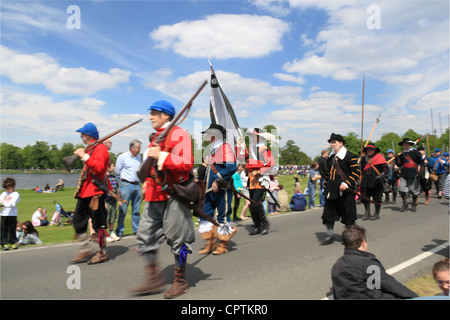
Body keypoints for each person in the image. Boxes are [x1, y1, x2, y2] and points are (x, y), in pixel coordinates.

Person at [132, 100, 195, 299]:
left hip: (172, 195)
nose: (150, 117)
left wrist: (163, 155)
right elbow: (151, 167)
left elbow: (186, 163)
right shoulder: (158, 137)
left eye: (154, 113)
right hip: (154, 194)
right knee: (145, 236)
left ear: (165, 115)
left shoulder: (179, 134)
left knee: (181, 241)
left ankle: (180, 280)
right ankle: (153, 279)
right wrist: (146, 182)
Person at [331, 225, 418, 299]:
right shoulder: (368, 264)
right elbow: (389, 285)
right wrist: (416, 297)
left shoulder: (337, 265)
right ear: (363, 242)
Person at [71, 122, 110, 265]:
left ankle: (102, 252)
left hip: (96, 191)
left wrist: (83, 155)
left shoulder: (100, 149)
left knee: (99, 224)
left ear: (88, 135)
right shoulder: (90, 148)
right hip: (85, 191)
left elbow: (99, 168)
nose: (81, 135)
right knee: (77, 221)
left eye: (83, 133)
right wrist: (83, 154)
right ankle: (85, 248)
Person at [198, 123, 237, 255]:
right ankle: (210, 242)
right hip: (209, 189)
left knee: (223, 216)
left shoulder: (226, 148)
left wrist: (218, 181)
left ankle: (223, 244)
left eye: (209, 134)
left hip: (222, 189)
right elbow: (208, 169)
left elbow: (231, 168)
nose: (207, 136)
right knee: (205, 214)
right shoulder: (211, 149)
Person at [320, 133, 360, 245]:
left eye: (334, 142)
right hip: (331, 191)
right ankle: (330, 235)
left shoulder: (350, 156)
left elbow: (356, 172)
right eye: (330, 143)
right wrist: (325, 188)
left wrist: (347, 183)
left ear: (341, 143)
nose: (331, 145)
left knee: (348, 216)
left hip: (345, 192)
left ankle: (353, 237)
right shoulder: (331, 158)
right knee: (328, 214)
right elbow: (327, 175)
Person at [245, 128, 275, 235]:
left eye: (255, 136)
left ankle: (264, 222)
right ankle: (257, 225)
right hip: (252, 179)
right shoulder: (251, 148)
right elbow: (242, 156)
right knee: (251, 204)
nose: (253, 138)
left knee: (256, 203)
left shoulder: (263, 148)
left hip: (260, 178)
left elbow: (271, 162)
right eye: (252, 136)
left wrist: (259, 171)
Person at [115, 139, 142, 238]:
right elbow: (117, 171)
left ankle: (136, 230)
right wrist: (123, 181)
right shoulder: (123, 157)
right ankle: (120, 231)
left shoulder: (139, 157)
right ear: (132, 148)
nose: (139, 150)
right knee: (123, 209)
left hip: (137, 185)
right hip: (126, 185)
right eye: (138, 148)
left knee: (136, 210)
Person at [395, 138, 424, 212]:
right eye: (404, 144)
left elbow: (422, 163)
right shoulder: (401, 154)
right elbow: (399, 165)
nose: (405, 145)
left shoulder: (416, 153)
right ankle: (405, 204)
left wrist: (420, 173)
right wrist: (396, 159)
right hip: (404, 173)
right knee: (401, 190)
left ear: (410, 144)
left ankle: (414, 204)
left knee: (413, 190)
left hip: (413, 173)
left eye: (407, 143)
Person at [359, 144, 387, 220]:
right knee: (365, 198)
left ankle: (376, 214)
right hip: (365, 181)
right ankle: (367, 213)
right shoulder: (364, 159)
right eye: (368, 150)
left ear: (374, 150)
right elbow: (361, 170)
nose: (369, 151)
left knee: (377, 198)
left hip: (376, 181)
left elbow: (385, 170)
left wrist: (381, 175)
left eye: (371, 149)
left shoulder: (380, 158)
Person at [1, 177, 20, 250]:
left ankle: (13, 242)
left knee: (12, 229)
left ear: (13, 186)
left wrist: (4, 204)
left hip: (12, 214)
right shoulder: (3, 193)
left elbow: (13, 203)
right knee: (3, 229)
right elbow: (1, 200)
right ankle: (4, 243)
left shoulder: (16, 194)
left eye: (8, 188)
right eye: (6, 188)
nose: (7, 190)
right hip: (3, 214)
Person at [105, 160, 121, 242]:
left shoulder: (114, 177)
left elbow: (117, 189)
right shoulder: (104, 178)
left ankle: (112, 232)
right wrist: (103, 202)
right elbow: (102, 191)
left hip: (113, 201)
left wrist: (119, 200)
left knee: (112, 218)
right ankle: (105, 235)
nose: (114, 167)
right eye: (112, 166)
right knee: (106, 218)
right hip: (106, 201)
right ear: (108, 167)